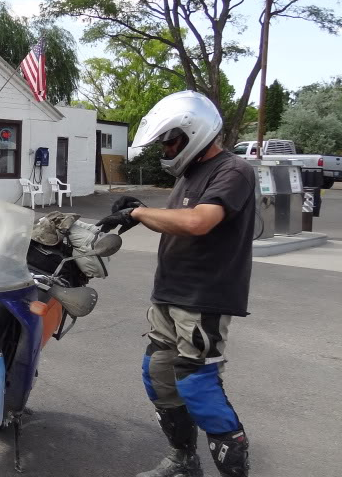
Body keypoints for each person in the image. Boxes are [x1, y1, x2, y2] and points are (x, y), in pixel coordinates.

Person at [97, 91, 254, 477]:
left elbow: (198, 222)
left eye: (171, 140)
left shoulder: (233, 171)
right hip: (168, 295)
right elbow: (178, 218)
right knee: (159, 378)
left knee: (198, 386)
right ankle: (183, 461)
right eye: (164, 142)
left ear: (195, 131)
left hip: (203, 299)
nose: (166, 149)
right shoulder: (191, 174)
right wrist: (139, 213)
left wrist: (139, 210)